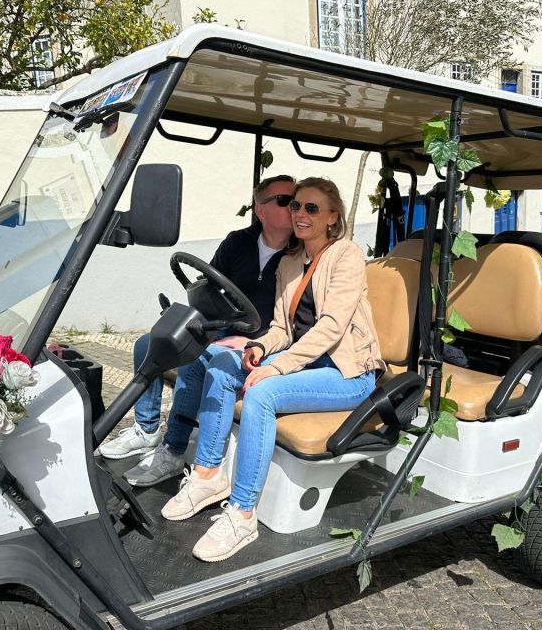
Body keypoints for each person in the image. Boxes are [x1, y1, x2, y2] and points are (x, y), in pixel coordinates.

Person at [161, 177, 384, 562]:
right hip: (306, 366)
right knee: (222, 362)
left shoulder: (345, 255)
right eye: (296, 206)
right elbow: (282, 326)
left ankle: (243, 513)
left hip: (347, 373)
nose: (300, 214)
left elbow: (332, 326)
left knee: (263, 393)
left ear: (333, 218)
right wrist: (260, 346)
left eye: (312, 209)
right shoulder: (291, 262)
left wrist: (277, 366)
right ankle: (207, 475)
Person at [99, 175, 297, 488]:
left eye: (297, 200)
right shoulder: (238, 242)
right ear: (261, 209)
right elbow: (211, 286)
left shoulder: (298, 255)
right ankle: (147, 428)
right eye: (286, 201)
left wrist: (254, 340)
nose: (295, 207)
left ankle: (174, 449)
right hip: (222, 327)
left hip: (263, 342)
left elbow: (292, 320)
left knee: (196, 359)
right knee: (148, 343)